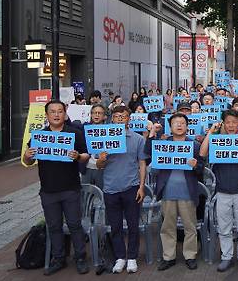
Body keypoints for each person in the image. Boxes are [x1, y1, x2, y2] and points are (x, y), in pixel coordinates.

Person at [22, 100, 90, 275]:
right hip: (48, 189)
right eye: (52, 111)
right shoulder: (39, 136)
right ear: (47, 115)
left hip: (70, 188)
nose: (56, 114)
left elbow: (86, 156)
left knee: (75, 224)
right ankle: (58, 258)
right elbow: (28, 160)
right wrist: (27, 155)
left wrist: (77, 156)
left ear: (65, 113)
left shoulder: (74, 133)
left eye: (60, 111)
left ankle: (80, 257)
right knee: (54, 226)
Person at [200, 110, 238, 272]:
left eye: (234, 122)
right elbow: (202, 153)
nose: (231, 125)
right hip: (222, 192)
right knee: (224, 227)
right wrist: (211, 131)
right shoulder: (217, 140)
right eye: (228, 122)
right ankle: (226, 256)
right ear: (223, 123)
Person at [147, 113, 203, 271]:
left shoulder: (194, 146)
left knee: (190, 227)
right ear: (170, 127)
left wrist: (195, 165)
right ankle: (168, 257)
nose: (179, 125)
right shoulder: (163, 144)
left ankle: (190, 256)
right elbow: (153, 166)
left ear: (187, 126)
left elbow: (201, 170)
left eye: (182, 123)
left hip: (187, 192)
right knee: (168, 227)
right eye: (175, 123)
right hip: (168, 192)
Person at [95, 106, 148, 273]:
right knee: (115, 226)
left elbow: (142, 163)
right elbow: (98, 165)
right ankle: (120, 257)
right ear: (112, 119)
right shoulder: (104, 138)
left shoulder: (138, 139)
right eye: (117, 116)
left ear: (129, 119)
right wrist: (102, 159)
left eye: (123, 116)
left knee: (133, 225)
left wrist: (141, 187)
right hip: (110, 188)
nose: (119, 119)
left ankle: (132, 257)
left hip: (131, 187)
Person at [80, 104, 108, 189]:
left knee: (102, 195)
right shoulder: (84, 128)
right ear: (91, 115)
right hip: (87, 167)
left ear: (104, 116)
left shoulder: (109, 131)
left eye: (99, 113)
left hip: (103, 169)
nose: (97, 115)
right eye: (94, 113)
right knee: (86, 196)